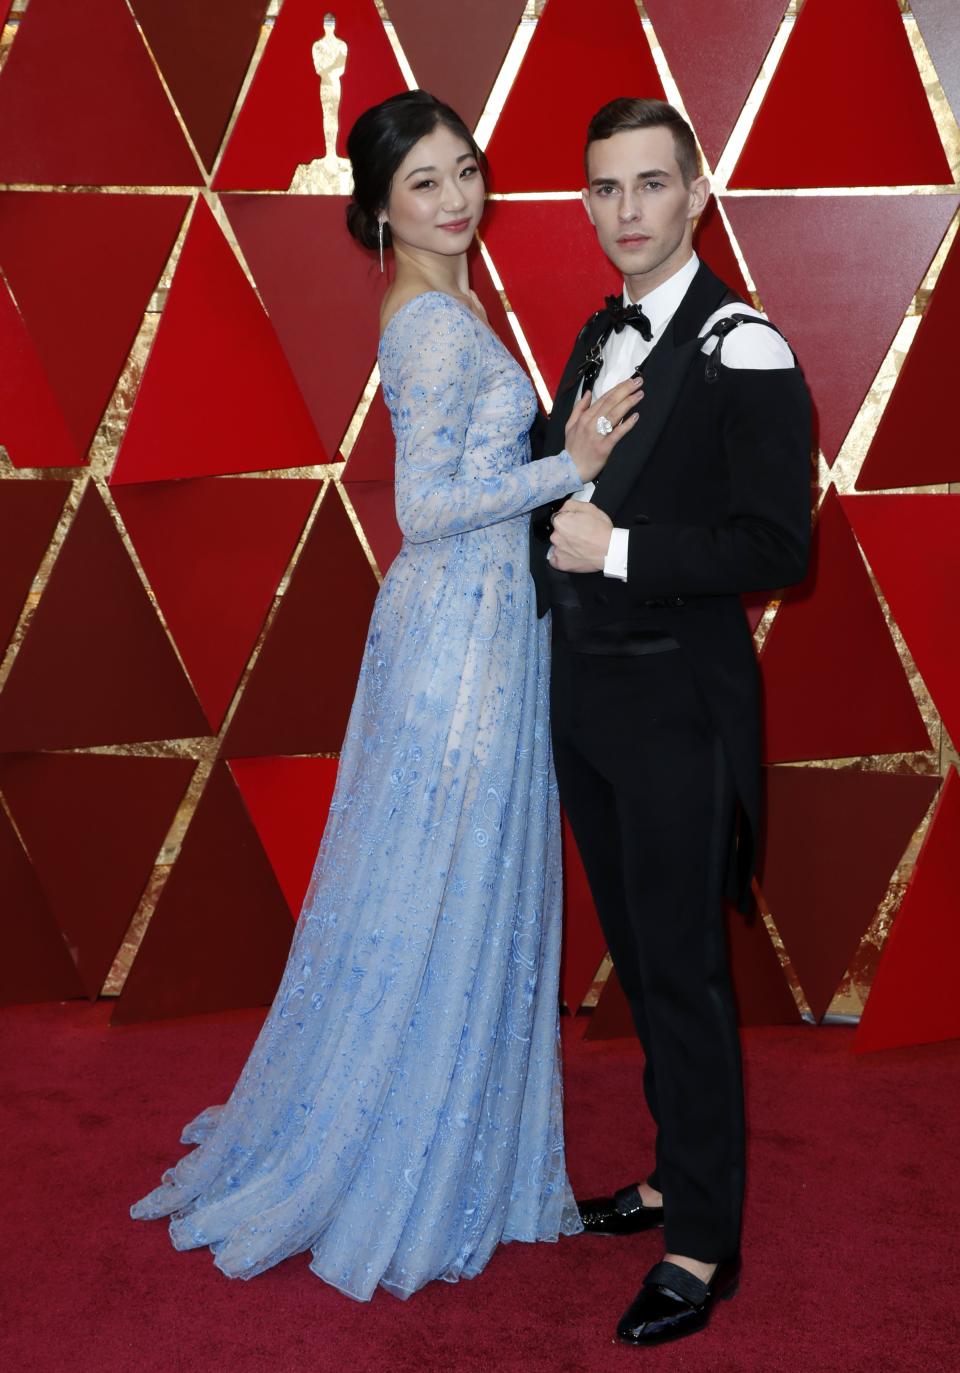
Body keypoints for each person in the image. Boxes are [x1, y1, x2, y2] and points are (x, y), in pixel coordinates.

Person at [131, 90, 642, 1303]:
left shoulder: (447, 299)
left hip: (477, 628)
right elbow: (421, 510)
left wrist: (553, 459)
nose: (458, 196)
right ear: (377, 208)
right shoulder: (425, 327)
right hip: (456, 639)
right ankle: (406, 1151)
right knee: (441, 888)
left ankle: (450, 1134)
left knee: (442, 887)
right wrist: (568, 461)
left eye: (467, 169)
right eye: (425, 182)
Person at [531, 98, 812, 1347]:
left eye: (651, 184)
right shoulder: (593, 335)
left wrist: (624, 546)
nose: (627, 211)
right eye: (606, 188)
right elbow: (557, 505)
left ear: (697, 194)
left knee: (685, 977)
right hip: (587, 703)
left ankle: (703, 1237)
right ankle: (666, 1170)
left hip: (681, 710)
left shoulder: (744, 343)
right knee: (643, 968)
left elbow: (778, 546)